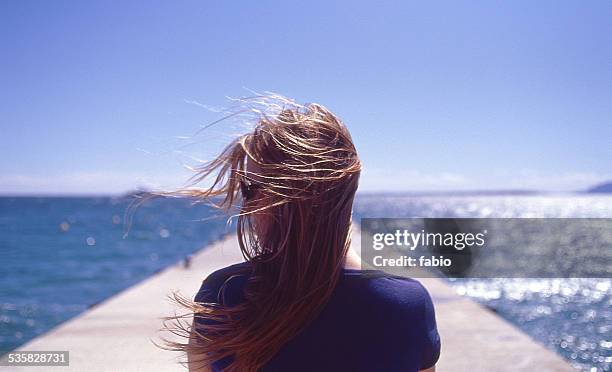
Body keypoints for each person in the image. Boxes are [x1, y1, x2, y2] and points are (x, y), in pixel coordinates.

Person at [162, 96, 440, 372]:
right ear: (348, 190)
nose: (246, 207)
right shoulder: (407, 304)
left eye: (249, 190)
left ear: (271, 201)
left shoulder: (223, 293)